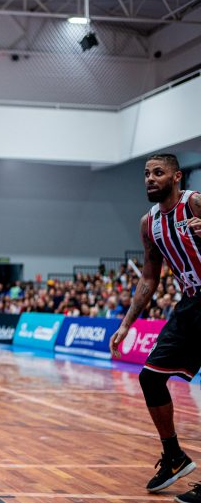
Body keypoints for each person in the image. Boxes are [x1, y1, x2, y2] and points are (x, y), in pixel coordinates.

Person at [110, 154, 201, 503]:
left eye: (158, 172)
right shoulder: (149, 223)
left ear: (176, 177)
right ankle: (174, 456)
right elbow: (149, 277)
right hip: (190, 304)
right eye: (146, 173)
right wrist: (126, 324)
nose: (150, 178)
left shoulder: (194, 203)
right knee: (150, 377)